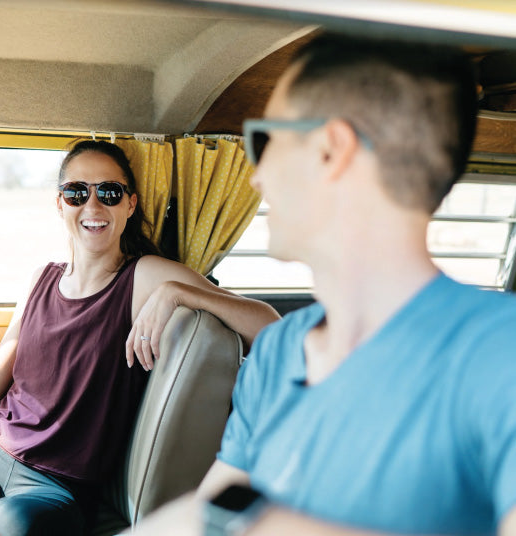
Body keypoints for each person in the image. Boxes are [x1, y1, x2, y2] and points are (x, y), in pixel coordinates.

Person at [130, 34, 516, 536]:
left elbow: (223, 519)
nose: (255, 178)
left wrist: (260, 523)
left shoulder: (498, 354)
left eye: (265, 142)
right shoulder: (279, 352)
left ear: (332, 151)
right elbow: (205, 521)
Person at [0, 140, 280, 536]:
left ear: (130, 204)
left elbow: (268, 324)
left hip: (55, 487)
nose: (92, 207)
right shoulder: (42, 277)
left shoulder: (143, 277)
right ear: (60, 205)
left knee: (4, 527)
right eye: (76, 193)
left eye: (109, 192)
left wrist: (179, 292)